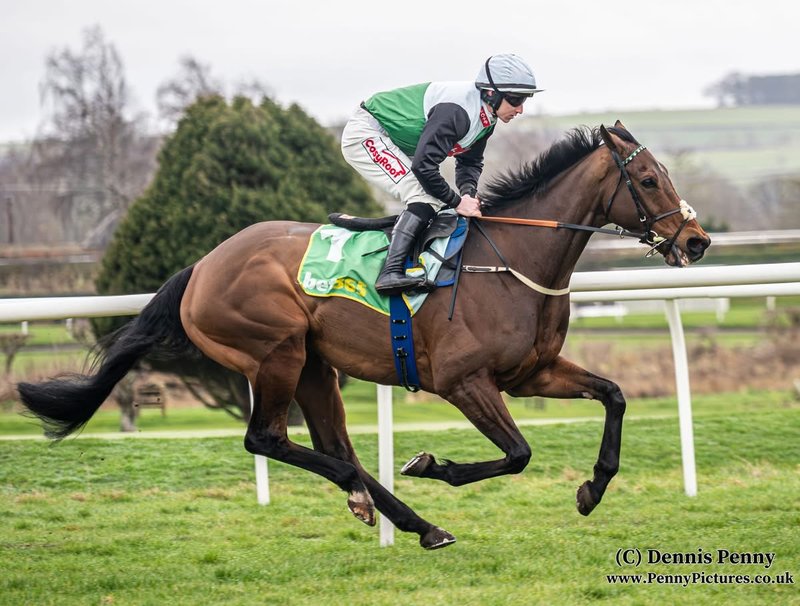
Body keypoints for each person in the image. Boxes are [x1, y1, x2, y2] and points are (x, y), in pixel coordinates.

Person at [341, 53, 543, 295]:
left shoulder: (487, 118)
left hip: (392, 141)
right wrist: (458, 202)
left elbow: (469, 162)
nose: (520, 108)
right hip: (366, 133)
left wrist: (469, 196)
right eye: (515, 99)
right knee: (424, 196)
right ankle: (390, 273)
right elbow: (424, 167)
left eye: (525, 99)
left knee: (436, 202)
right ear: (491, 93)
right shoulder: (456, 111)